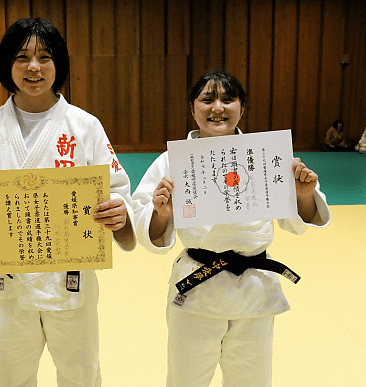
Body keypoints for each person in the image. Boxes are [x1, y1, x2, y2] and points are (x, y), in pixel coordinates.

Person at [0, 17, 136, 387]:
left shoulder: (85, 126)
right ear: (6, 65)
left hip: (71, 281)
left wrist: (118, 213)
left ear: (58, 64)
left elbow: (117, 192)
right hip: (8, 284)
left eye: (45, 57)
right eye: (22, 57)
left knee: (82, 375)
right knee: (10, 378)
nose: (34, 67)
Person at [131, 70, 331, 387]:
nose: (218, 108)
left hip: (254, 287)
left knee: (252, 380)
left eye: (228, 99)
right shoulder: (171, 160)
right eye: (207, 99)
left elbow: (301, 217)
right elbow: (150, 227)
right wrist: (161, 212)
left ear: (242, 109)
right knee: (185, 379)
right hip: (198, 285)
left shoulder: (267, 155)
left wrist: (303, 195)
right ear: (192, 108)